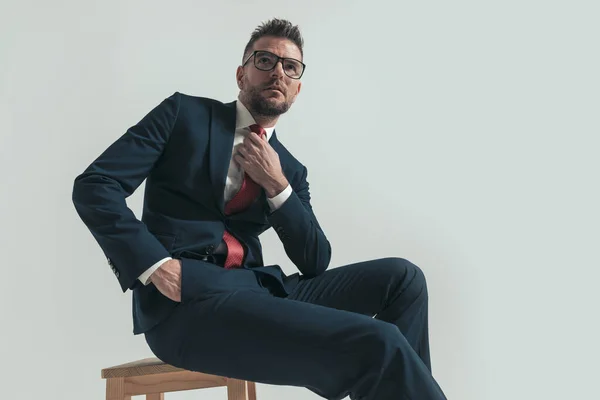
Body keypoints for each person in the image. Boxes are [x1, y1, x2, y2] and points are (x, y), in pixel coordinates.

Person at [72, 18, 447, 400]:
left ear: (297, 89)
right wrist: (154, 267)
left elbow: (315, 260)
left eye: (290, 67)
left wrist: (277, 184)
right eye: (265, 60)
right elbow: (95, 186)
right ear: (241, 74)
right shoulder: (183, 115)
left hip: (259, 289)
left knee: (405, 279)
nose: (278, 73)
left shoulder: (290, 169)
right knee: (377, 340)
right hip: (187, 302)